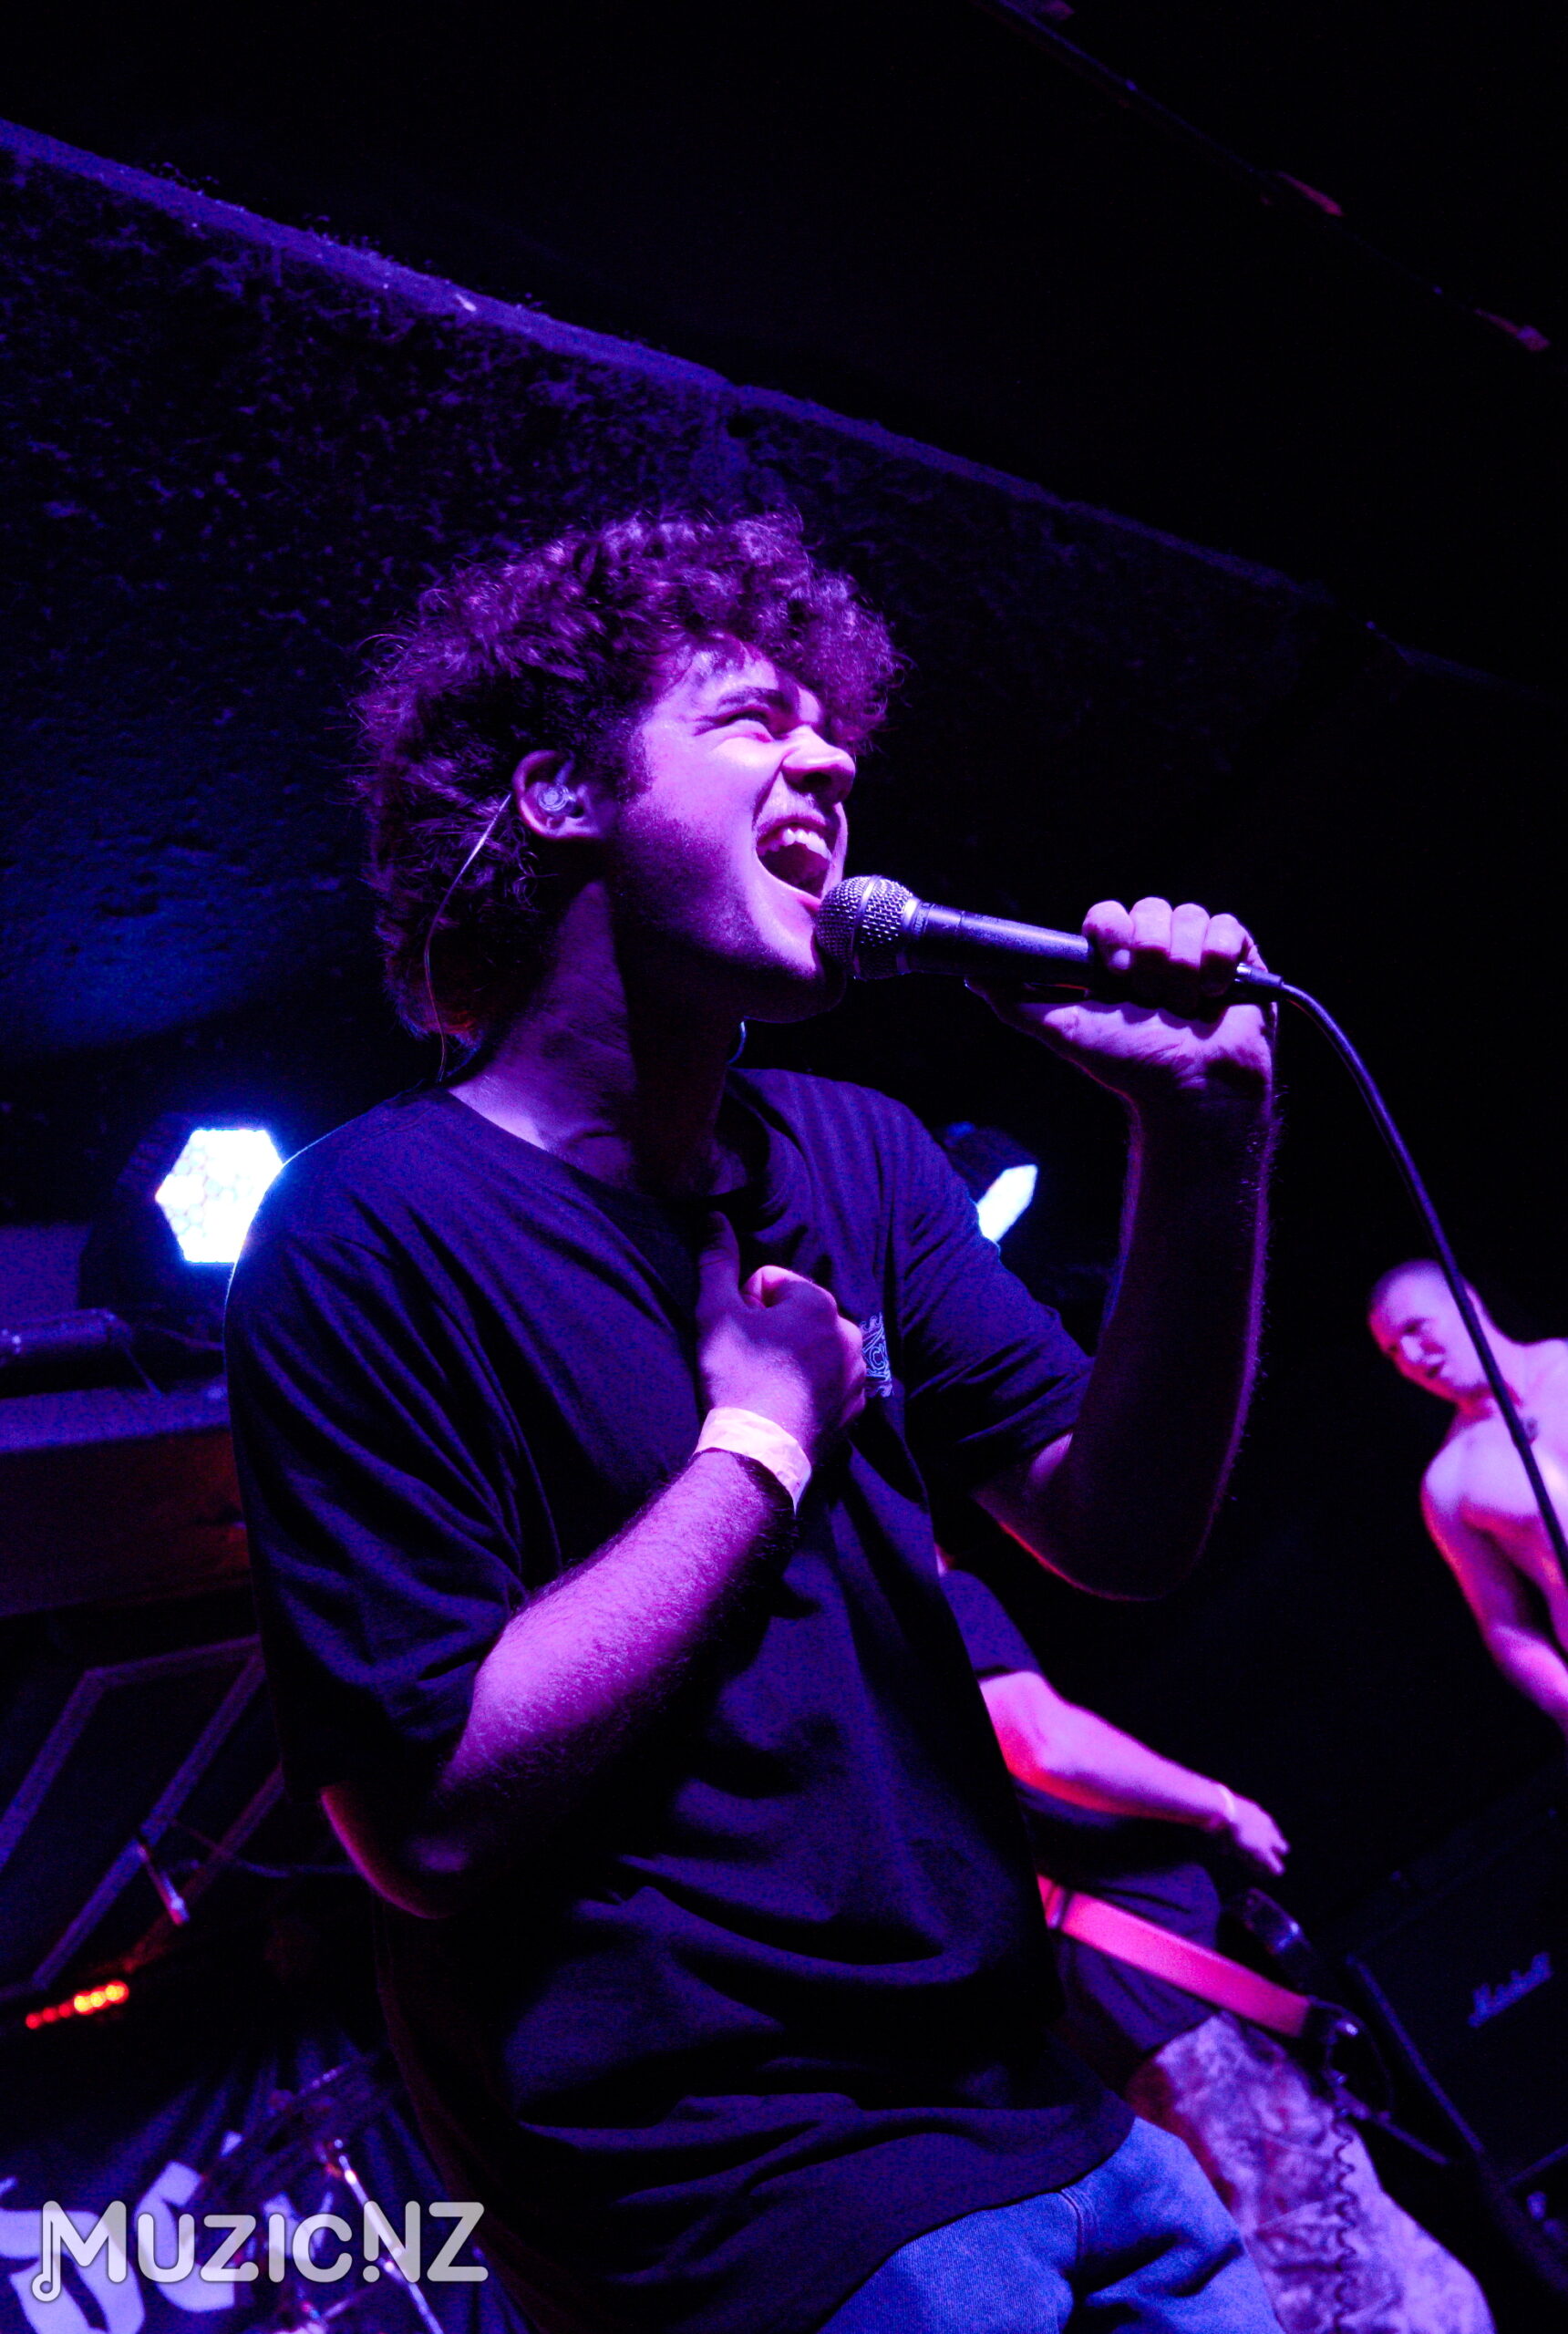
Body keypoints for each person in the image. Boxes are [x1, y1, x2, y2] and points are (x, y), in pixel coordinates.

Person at [225, 511, 1282, 2334]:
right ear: (562, 793)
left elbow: (1119, 1529)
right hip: (743, 2209)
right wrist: (761, 1449)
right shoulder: (358, 1227)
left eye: (830, 726)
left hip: (1051, 2111)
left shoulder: (858, 1152)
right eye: (749, 719)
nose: (831, 760)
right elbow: (427, 1818)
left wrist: (1203, 1151)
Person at [944, 1565, 1495, 2333]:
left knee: (1344, 2267)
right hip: (1152, 1989)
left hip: (1113, 2008)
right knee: (1351, 2283)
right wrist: (1221, 1807)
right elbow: (1041, 1741)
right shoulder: (938, 1598)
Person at [1368, 1260, 1568, 1744]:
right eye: (1393, 1351)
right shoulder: (1450, 1481)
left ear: (1467, 1302)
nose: (1411, 1357)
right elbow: (1506, 1626)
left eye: (1415, 1329)